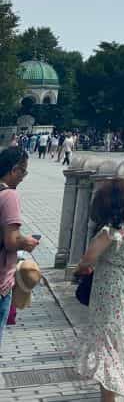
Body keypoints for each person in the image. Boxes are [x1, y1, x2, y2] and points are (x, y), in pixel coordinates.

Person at [74, 177, 124, 402]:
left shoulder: (111, 230)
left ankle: (111, 398)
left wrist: (81, 269)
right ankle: (123, 390)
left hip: (111, 291)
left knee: (108, 345)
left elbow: (88, 258)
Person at [0, 147, 40, 353]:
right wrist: (27, 242)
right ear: (14, 170)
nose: (24, 177)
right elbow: (11, 241)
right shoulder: (9, 196)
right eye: (23, 172)